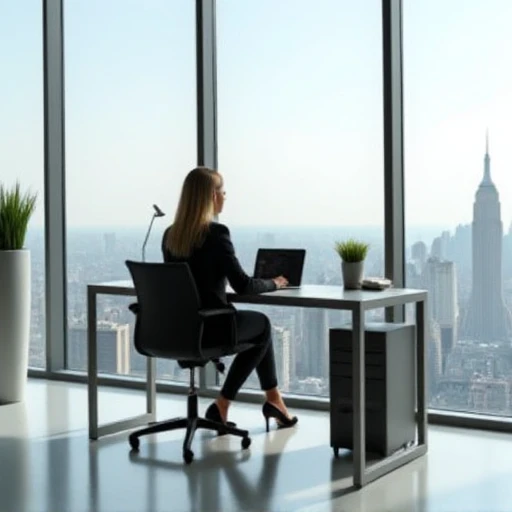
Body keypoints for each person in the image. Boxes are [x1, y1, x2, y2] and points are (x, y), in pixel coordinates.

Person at [162, 166, 297, 431]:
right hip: (211, 328)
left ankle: (273, 401)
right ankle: (224, 404)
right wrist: (275, 282)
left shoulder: (171, 235)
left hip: (180, 330)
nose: (225, 197)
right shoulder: (216, 234)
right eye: (223, 192)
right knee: (263, 327)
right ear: (212, 196)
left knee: (260, 327)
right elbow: (243, 285)